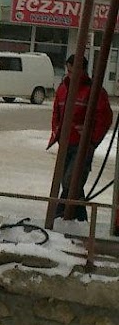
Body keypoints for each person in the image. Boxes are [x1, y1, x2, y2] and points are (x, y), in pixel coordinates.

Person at [48, 54, 113, 221]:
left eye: (73, 71)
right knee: (69, 183)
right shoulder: (63, 88)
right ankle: (80, 219)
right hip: (66, 143)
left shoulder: (93, 91)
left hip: (82, 145)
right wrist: (57, 131)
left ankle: (59, 214)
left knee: (71, 182)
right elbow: (57, 112)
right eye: (68, 71)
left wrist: (91, 138)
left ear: (82, 71)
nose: (69, 75)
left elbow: (104, 118)